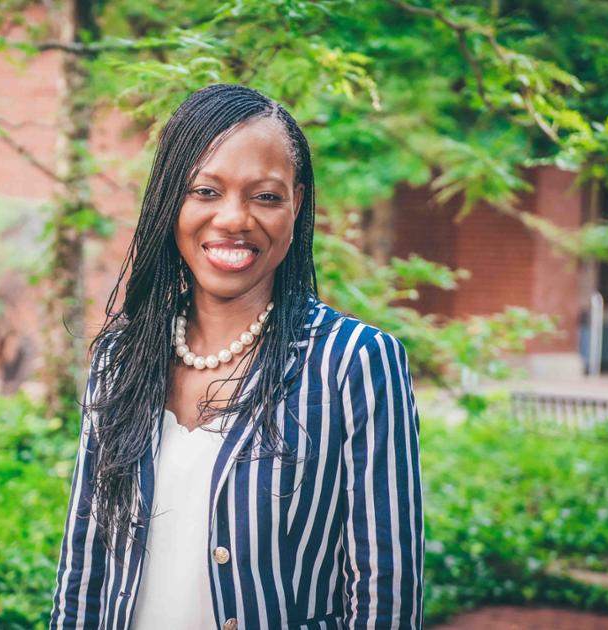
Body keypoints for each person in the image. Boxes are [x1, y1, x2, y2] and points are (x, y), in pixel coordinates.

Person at [48, 84, 424, 630]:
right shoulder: (120, 358)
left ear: (298, 204)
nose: (233, 218)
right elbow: (83, 568)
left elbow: (384, 595)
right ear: (170, 200)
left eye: (265, 197)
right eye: (205, 191)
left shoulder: (354, 363)